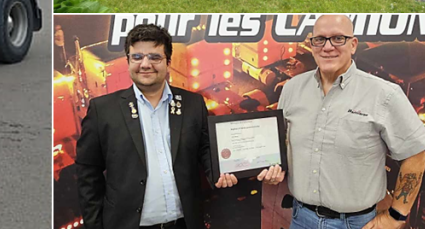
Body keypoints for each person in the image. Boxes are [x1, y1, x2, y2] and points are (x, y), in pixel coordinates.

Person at [75, 24, 283, 229]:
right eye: (137, 57)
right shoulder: (103, 110)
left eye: (155, 57)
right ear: (128, 61)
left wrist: (220, 174)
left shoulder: (193, 103)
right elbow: (88, 171)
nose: (145, 64)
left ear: (168, 62)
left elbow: (205, 149)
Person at [278, 14, 425, 229]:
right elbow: (281, 143)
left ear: (353, 44)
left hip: (356, 224)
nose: (328, 47)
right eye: (319, 40)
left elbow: (416, 157)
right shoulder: (292, 89)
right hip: (301, 218)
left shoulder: (384, 94)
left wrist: (396, 216)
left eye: (338, 39)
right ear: (311, 45)